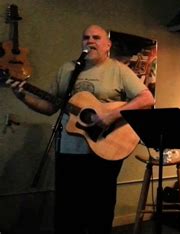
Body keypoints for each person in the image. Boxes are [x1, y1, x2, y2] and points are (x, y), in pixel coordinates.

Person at [8, 24, 155, 234]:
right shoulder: (68, 70)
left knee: (100, 209)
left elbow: (147, 98)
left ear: (107, 45)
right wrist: (22, 96)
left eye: (96, 37)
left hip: (106, 148)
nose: (90, 41)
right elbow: (50, 107)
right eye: (86, 37)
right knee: (68, 210)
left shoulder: (119, 70)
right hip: (69, 149)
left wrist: (111, 115)